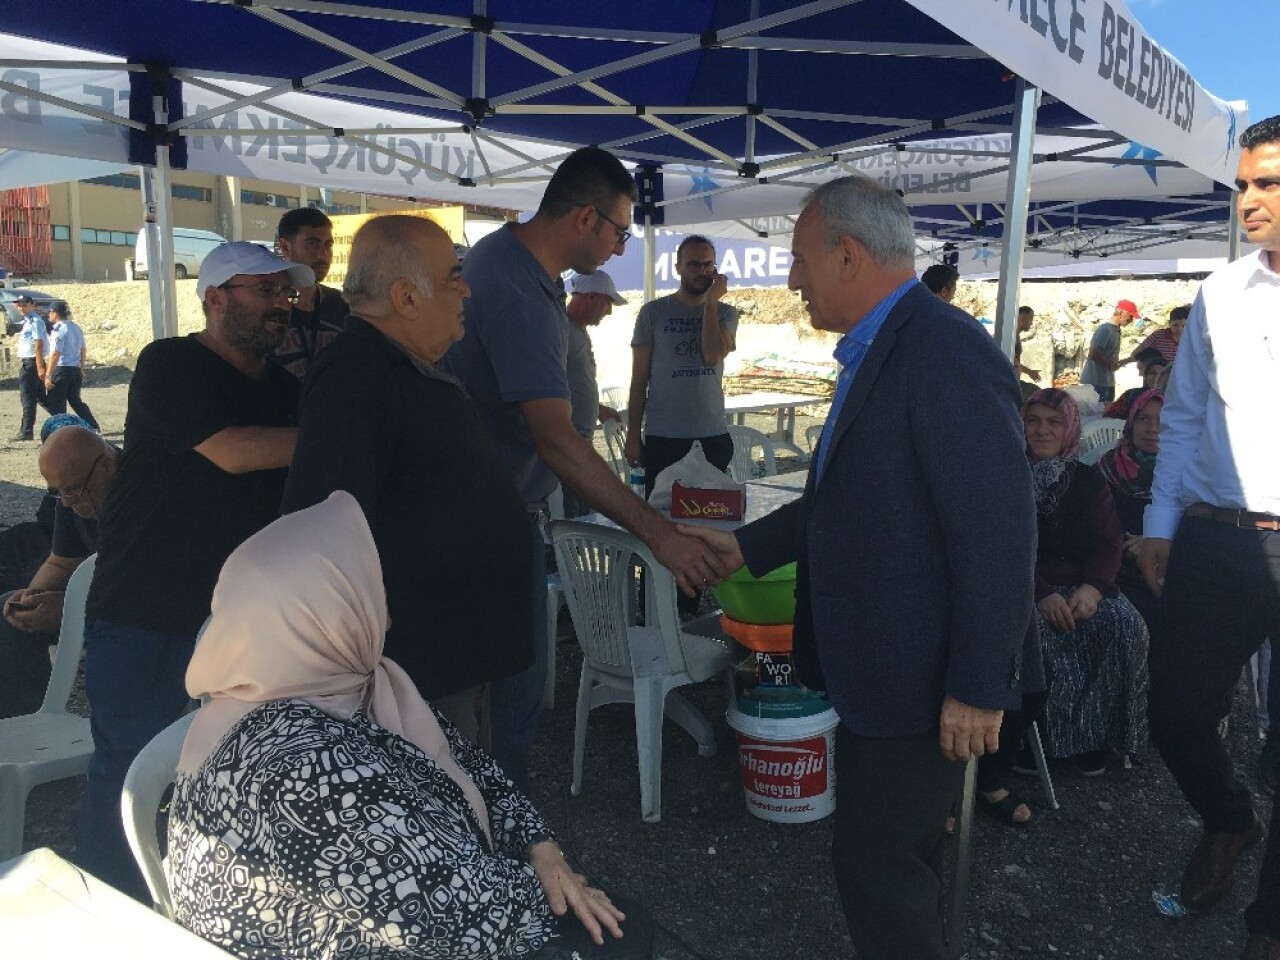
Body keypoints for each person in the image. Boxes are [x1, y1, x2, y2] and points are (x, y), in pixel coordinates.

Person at [680, 176, 1039, 960]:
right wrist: (747, 547)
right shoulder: (882, 348)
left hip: (922, 677)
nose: (793, 280)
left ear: (848, 255)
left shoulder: (941, 349)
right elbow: (849, 502)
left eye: (802, 261)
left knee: (876, 866)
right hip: (886, 671)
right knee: (897, 861)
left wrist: (979, 684)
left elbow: (999, 534)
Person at [167, 492, 648, 960]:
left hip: (439, 903)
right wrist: (555, 891)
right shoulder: (296, 768)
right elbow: (444, 915)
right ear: (325, 615)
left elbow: (473, 766)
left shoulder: (353, 686)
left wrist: (540, 847)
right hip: (407, 930)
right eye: (369, 585)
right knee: (625, 932)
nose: (385, 603)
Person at [441, 147, 729, 790]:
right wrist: (660, 536)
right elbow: (559, 441)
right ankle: (503, 848)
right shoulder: (517, 285)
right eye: (622, 231)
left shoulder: (507, 262)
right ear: (584, 218)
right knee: (508, 697)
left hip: (488, 509)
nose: (622, 249)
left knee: (505, 696)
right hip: (486, 520)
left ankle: (496, 833)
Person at [76, 241, 306, 899]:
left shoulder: (289, 389)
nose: (280, 305)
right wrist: (338, 435)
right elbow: (232, 452)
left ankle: (202, 903)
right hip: (145, 609)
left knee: (226, 770)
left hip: (237, 621)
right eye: (264, 291)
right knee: (127, 767)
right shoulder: (170, 363)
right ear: (214, 298)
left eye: (285, 293)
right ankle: (101, 907)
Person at [282, 215, 533, 749]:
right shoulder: (354, 374)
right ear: (406, 297)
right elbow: (323, 530)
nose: (465, 288)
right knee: (438, 812)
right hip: (416, 671)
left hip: (448, 657)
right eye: (452, 277)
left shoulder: (401, 364)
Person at [1138, 116, 1280, 955]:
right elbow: (1184, 416)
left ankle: (1269, 923)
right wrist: (1159, 525)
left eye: (1269, 183)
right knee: (1177, 713)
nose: (1248, 199)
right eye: (1244, 183)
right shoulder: (1221, 293)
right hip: (1219, 538)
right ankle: (1230, 819)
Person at [1021, 389, 1149, 773]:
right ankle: (1039, 745)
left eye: (1054, 422)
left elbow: (1108, 541)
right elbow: (1002, 547)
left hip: (1084, 586)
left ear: (1070, 427)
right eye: (1034, 421)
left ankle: (1101, 740)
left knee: (1126, 627)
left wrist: (1093, 589)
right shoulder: (1006, 476)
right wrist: (1040, 593)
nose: (1043, 431)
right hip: (1027, 588)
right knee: (1040, 636)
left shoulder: (1088, 480)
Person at [0, 422, 115, 719]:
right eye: (57, 493)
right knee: (10, 612)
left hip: (144, 612)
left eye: (74, 491)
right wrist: (32, 595)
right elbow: (62, 561)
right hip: (102, 600)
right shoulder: (73, 489)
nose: (67, 503)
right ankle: (23, 728)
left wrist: (70, 610)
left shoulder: (139, 496)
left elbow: (142, 589)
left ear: (106, 466)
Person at [624, 235, 738, 500]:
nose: (702, 272)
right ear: (678, 267)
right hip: (664, 435)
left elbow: (712, 354)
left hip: (711, 433)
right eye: (694, 265)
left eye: (708, 265)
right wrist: (632, 434)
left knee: (712, 520)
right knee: (663, 520)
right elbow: (639, 379)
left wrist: (710, 303)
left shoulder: (726, 313)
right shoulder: (652, 313)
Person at [1097, 389, 1163, 628]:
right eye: (1143, 419)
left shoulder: (1185, 478)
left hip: (1170, 570)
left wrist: (1153, 543)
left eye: (1162, 421)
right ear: (1130, 423)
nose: (1152, 429)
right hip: (1117, 571)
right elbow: (1094, 526)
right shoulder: (1105, 470)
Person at [565, 270, 626, 518]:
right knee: (575, 519)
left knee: (584, 513)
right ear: (591, 296)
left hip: (579, 442)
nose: (609, 311)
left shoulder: (575, 330)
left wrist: (597, 408)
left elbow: (570, 381)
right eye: (607, 303)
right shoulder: (561, 329)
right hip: (569, 444)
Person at [270, 207, 349, 380]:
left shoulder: (342, 305)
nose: (323, 254)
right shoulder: (268, 305)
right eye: (312, 243)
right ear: (285, 247)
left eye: (328, 245)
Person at [42, 301, 99, 431]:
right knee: (75, 400)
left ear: (55, 314)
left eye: (50, 312)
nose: (49, 315)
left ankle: (59, 430)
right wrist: (81, 368)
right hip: (74, 368)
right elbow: (83, 350)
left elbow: (55, 354)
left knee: (57, 403)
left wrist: (48, 374)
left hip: (61, 369)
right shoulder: (76, 328)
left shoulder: (59, 330)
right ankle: (93, 426)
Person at [1080, 299, 1138, 403]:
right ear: (1121, 313)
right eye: (1130, 316)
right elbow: (1093, 353)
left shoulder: (1115, 330)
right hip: (1095, 383)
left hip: (1106, 382)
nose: (1131, 320)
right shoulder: (1105, 329)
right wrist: (1110, 364)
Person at [9, 294, 50, 441]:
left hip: (32, 362)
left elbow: (38, 344)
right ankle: (63, 420)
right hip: (31, 362)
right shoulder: (27, 321)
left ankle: (26, 431)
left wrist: (40, 367)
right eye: (19, 305)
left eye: (24, 304)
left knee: (27, 398)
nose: (21, 307)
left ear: (33, 305)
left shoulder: (36, 321)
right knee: (41, 398)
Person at [1103, 347, 1169, 419]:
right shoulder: (1132, 395)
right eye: (1153, 373)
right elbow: (1109, 416)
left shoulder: (1173, 400)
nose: (1140, 374)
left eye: (1141, 369)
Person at [1014, 305, 1041, 382]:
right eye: (1030, 319)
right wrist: (1029, 372)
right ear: (1022, 319)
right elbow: (1011, 360)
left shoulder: (1016, 336)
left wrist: (1030, 372)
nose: (1031, 323)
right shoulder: (1010, 338)